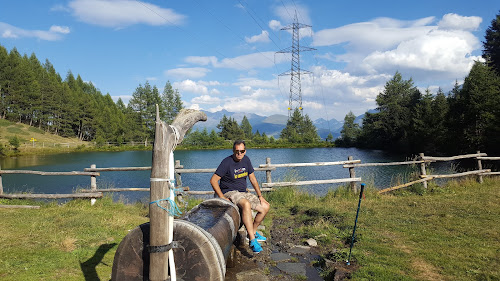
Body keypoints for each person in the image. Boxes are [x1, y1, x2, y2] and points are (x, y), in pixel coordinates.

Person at [210, 140, 270, 253]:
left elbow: (253, 179)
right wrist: (222, 197)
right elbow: (213, 180)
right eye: (237, 151)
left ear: (245, 151)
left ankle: (251, 233)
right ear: (233, 151)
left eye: (242, 151)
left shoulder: (246, 160)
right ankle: (252, 241)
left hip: (243, 192)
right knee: (246, 204)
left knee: (265, 207)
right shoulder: (226, 162)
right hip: (230, 192)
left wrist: (260, 196)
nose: (239, 154)